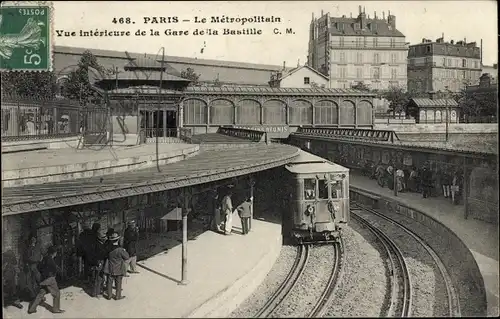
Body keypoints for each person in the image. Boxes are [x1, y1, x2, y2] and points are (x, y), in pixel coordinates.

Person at [28, 246, 65, 314]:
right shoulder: (50, 260)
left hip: (43, 279)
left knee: (41, 293)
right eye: (56, 252)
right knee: (56, 293)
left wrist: (43, 274)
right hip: (50, 279)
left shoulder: (45, 258)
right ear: (54, 253)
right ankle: (56, 309)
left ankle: (32, 309)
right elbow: (54, 269)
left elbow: (39, 267)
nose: (56, 254)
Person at [103, 233, 129, 301]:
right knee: (118, 283)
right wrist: (124, 251)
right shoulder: (120, 250)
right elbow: (127, 257)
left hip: (110, 268)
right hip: (119, 268)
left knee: (109, 282)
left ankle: (109, 295)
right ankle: (118, 296)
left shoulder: (108, 249)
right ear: (117, 240)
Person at [21, 235, 42, 302]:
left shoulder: (36, 248)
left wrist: (39, 259)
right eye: (32, 239)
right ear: (30, 241)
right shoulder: (28, 249)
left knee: (38, 280)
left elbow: (39, 256)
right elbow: (26, 258)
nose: (34, 241)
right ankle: (33, 296)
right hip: (30, 266)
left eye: (34, 239)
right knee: (31, 282)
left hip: (36, 266)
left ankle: (37, 296)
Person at [88, 232, 109, 298]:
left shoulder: (101, 243)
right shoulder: (97, 245)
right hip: (99, 262)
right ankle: (96, 293)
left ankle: (99, 290)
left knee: (100, 277)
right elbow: (94, 255)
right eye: (103, 237)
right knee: (98, 278)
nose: (105, 238)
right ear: (100, 238)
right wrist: (97, 263)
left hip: (101, 261)